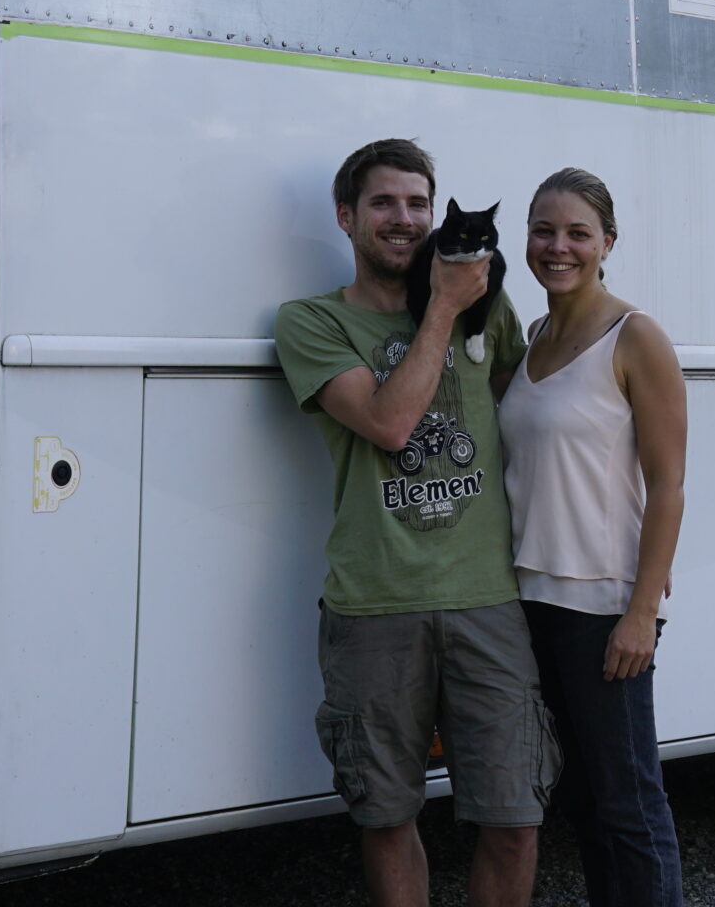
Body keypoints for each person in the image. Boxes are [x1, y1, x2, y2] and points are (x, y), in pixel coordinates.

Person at [273, 138, 555, 907]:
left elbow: (526, 419)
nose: (405, 219)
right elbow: (390, 424)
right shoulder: (310, 322)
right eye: (384, 204)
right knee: (389, 817)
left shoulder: (488, 308)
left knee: (514, 819)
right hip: (373, 607)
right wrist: (443, 309)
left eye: (418, 204)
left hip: (487, 598)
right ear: (347, 217)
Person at [501, 167, 688, 907]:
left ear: (607, 242)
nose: (558, 246)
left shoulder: (635, 335)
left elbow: (669, 483)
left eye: (578, 232)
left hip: (601, 607)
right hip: (528, 600)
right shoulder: (537, 334)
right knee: (580, 799)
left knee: (630, 804)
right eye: (543, 230)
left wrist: (641, 611)